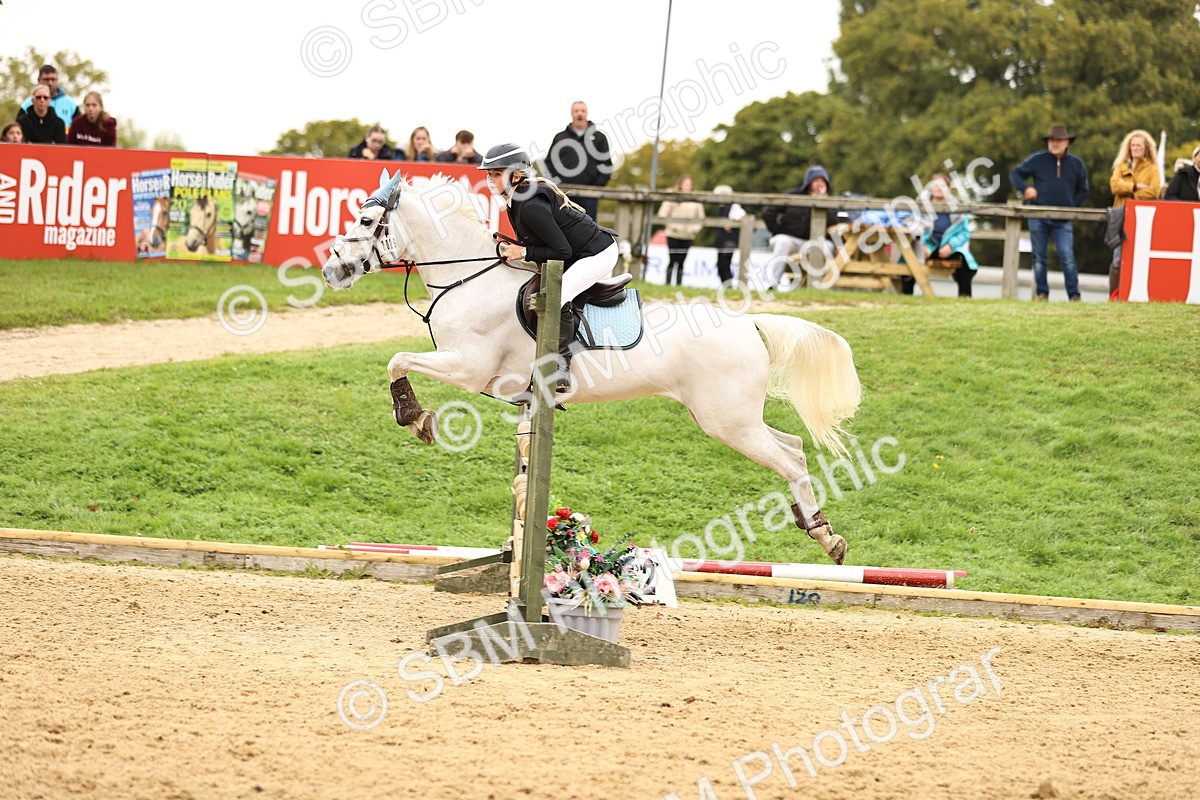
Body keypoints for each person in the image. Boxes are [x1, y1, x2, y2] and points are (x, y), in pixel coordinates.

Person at [479, 143, 620, 393]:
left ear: (516, 175)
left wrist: (523, 252)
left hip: (596, 254)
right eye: (489, 174)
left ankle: (559, 369)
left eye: (496, 174)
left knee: (556, 297)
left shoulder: (531, 206)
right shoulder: (515, 199)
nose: (490, 180)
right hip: (576, 252)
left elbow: (562, 251)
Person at [1009, 124, 1090, 301]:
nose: (1055, 143)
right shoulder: (1038, 160)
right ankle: (1042, 293)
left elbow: (1083, 190)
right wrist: (1025, 189)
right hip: (1038, 215)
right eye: (1052, 140)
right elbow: (1015, 173)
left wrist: (1071, 207)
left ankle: (1074, 295)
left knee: (1067, 256)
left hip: (1063, 219)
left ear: (1067, 142)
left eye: (1059, 140)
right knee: (1039, 258)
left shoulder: (1076, 164)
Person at [760, 166, 837, 291]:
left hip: (813, 242)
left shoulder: (830, 201)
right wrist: (778, 231)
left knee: (828, 247)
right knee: (782, 241)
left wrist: (823, 200)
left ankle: (821, 286)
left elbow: (834, 223)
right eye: (816, 180)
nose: (820, 184)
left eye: (823, 181)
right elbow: (768, 212)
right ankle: (773, 285)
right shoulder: (793, 195)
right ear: (809, 182)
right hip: (791, 240)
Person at [901, 174, 979, 297]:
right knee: (911, 257)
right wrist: (921, 245)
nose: (938, 188)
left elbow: (964, 233)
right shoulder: (920, 205)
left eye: (942, 185)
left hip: (948, 249)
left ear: (948, 188)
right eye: (935, 185)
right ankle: (906, 296)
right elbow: (911, 226)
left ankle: (965, 299)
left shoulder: (958, 209)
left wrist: (950, 246)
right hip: (926, 247)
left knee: (965, 263)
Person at [1107, 130, 1161, 296]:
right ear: (1128, 147)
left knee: (1138, 255)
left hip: (1141, 218)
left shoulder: (1152, 169)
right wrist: (1135, 187)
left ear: (1146, 148)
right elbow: (1114, 187)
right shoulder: (1120, 167)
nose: (1136, 148)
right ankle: (1114, 294)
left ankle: (1134, 293)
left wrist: (1128, 190)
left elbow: (1153, 192)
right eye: (1133, 145)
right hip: (1120, 216)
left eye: (1139, 145)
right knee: (1117, 256)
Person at [543, 101, 613, 221]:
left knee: (589, 229)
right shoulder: (560, 137)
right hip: (563, 194)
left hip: (590, 195)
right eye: (576, 111)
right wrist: (556, 186)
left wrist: (597, 186)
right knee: (563, 228)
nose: (579, 114)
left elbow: (606, 164)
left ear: (587, 113)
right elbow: (549, 163)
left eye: (582, 111)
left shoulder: (600, 138)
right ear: (572, 114)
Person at [656, 175, 705, 286]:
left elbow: (701, 219)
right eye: (685, 184)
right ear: (680, 185)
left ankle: (679, 284)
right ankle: (667, 284)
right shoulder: (672, 198)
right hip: (673, 234)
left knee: (682, 261)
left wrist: (694, 230)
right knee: (672, 259)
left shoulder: (696, 200)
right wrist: (672, 226)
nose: (687, 187)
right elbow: (662, 214)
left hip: (688, 235)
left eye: (689, 184)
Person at [19, 65, 80, 132]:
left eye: (53, 79)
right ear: (39, 80)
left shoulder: (71, 104)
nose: (50, 83)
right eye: (46, 79)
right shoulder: (28, 103)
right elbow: (18, 128)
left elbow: (79, 129)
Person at [712, 184, 746, 287]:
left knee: (725, 264)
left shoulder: (734, 206)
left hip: (729, 240)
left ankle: (728, 286)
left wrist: (731, 224)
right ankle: (727, 286)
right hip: (721, 240)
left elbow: (744, 218)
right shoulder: (721, 208)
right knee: (721, 264)